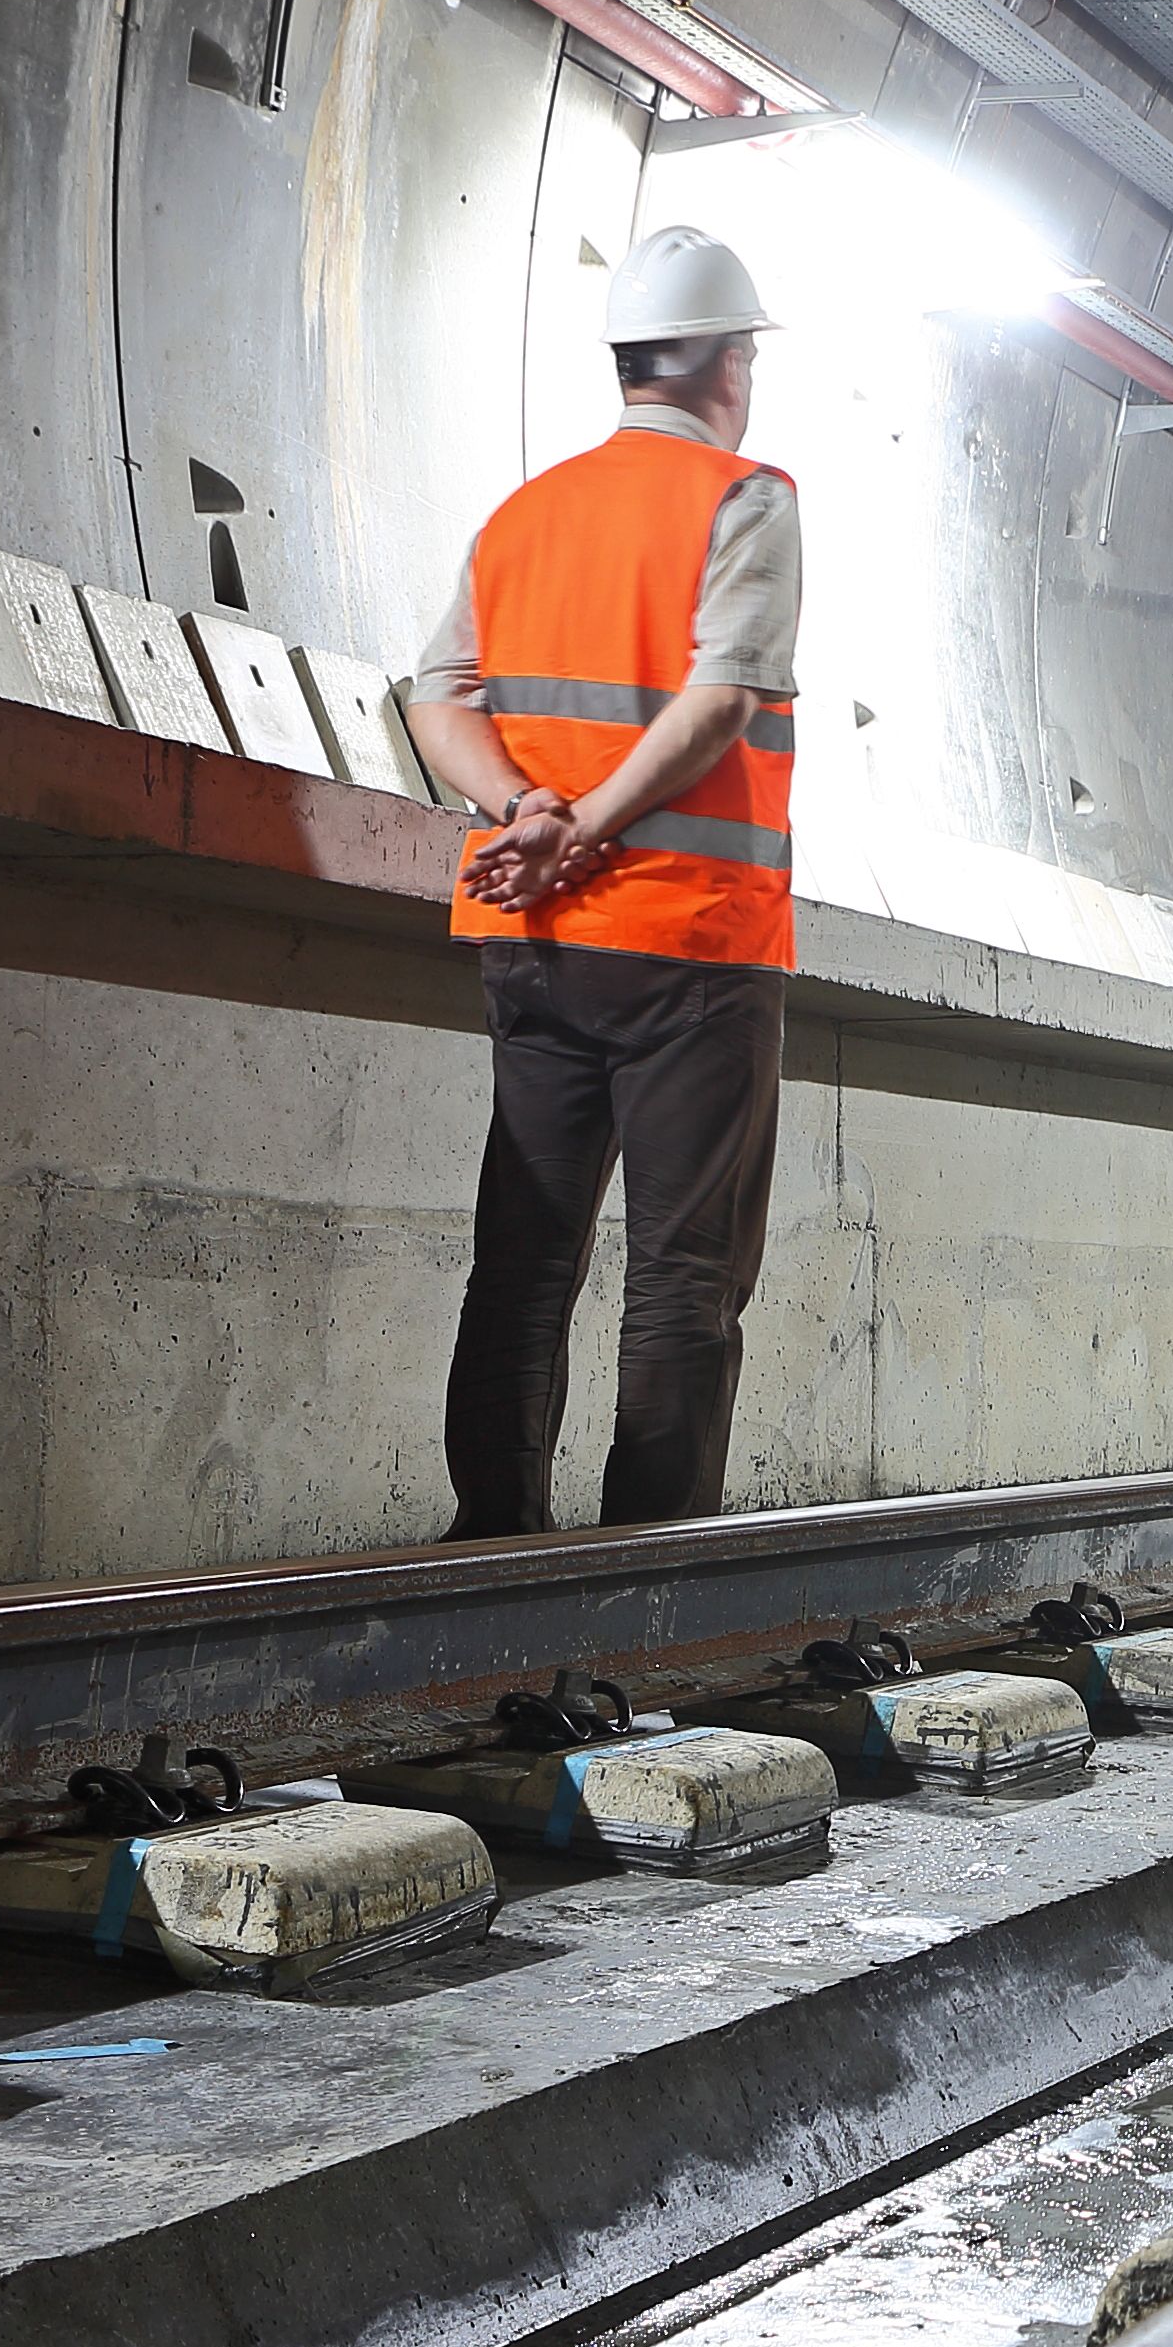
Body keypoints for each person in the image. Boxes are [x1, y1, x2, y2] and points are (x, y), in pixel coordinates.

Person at [400, 226, 805, 1537]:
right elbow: (723, 696)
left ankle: (492, 1541)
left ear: (629, 362)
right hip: (689, 940)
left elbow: (437, 692)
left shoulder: (525, 513)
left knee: (525, 1257)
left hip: (534, 941)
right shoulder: (747, 499)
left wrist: (522, 810)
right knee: (683, 1275)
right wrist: (590, 824)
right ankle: (648, 1574)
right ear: (730, 365)